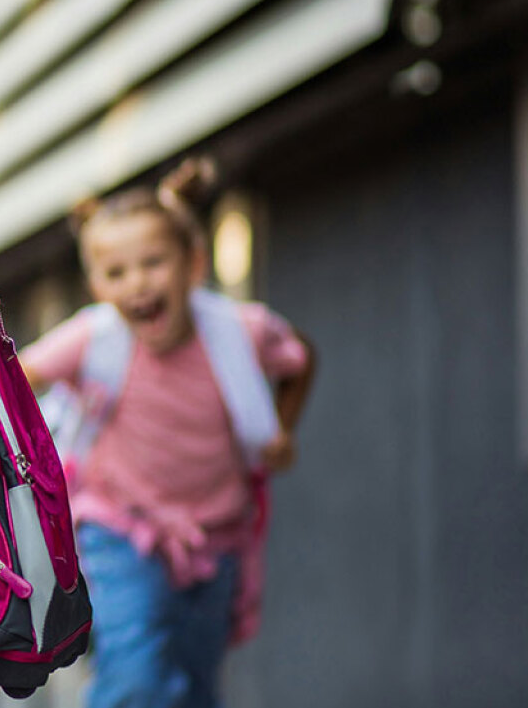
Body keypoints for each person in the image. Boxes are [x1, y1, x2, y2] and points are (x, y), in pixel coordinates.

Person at [20, 160, 315, 708]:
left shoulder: (240, 331)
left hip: (218, 536)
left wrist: (283, 428)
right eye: (116, 273)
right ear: (96, 285)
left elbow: (299, 358)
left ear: (194, 264)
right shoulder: (92, 337)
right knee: (137, 680)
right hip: (120, 530)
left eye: (153, 263)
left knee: (195, 685)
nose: (137, 284)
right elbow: (15, 378)